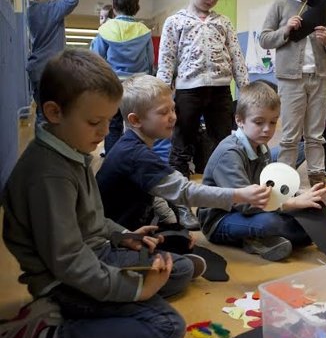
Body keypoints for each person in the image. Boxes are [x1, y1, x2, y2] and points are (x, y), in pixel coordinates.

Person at [0, 49, 196, 338]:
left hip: (92, 258)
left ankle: (83, 315)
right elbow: (69, 263)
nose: (105, 132)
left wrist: (121, 234)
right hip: (62, 283)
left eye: (108, 121)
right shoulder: (48, 175)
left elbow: (86, 217)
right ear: (54, 113)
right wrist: (135, 290)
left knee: (178, 269)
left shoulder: (71, 149)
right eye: (95, 122)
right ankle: (45, 335)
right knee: (167, 326)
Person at [96, 74, 270, 234]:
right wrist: (238, 195)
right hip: (116, 234)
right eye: (164, 112)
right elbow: (185, 191)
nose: (173, 117)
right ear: (136, 120)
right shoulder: (135, 154)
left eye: (173, 109)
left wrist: (173, 225)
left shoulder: (134, 146)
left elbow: (152, 191)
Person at [157, 0, 249, 227]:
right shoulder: (175, 22)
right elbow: (167, 61)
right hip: (188, 92)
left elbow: (236, 56)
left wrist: (246, 88)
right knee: (181, 147)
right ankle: (181, 205)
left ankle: (225, 198)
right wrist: (163, 95)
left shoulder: (223, 22)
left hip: (220, 90)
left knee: (226, 143)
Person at [198, 81, 326, 262]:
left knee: (313, 214)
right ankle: (256, 238)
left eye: (273, 122)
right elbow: (244, 203)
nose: (267, 129)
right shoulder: (229, 153)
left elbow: (269, 186)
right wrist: (289, 204)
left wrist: (300, 197)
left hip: (254, 208)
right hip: (221, 219)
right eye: (259, 122)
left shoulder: (261, 146)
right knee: (271, 223)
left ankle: (264, 238)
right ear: (239, 120)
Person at [258, 0, 326, 189]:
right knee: (290, 137)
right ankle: (285, 188)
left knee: (316, 136)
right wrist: (285, 30)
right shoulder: (281, 5)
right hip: (290, 80)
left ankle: (317, 187)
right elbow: (264, 39)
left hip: (321, 78)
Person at [91, 0, 155, 155]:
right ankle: (136, 157)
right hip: (138, 87)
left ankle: (113, 159)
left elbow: (96, 60)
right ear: (137, 6)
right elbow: (150, 61)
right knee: (136, 125)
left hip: (114, 86)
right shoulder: (144, 31)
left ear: (114, 5)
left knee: (113, 124)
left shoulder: (105, 29)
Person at [22, 0, 79, 128]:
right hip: (50, 70)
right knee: (56, 113)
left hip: (37, 69)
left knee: (43, 113)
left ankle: (44, 149)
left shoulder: (32, 10)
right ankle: (53, 149)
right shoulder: (50, 9)